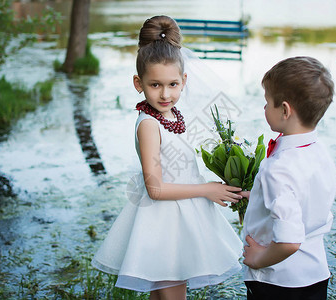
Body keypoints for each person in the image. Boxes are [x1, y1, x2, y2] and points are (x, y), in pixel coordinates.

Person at [92, 15, 243, 300]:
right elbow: (155, 188)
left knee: (164, 294)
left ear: (184, 81)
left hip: (177, 215)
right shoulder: (149, 124)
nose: (165, 94)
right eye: (155, 85)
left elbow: (178, 168)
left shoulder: (171, 115)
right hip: (165, 222)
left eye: (173, 84)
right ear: (139, 83)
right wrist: (206, 190)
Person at [240, 56, 336, 299]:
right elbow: (304, 200)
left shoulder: (279, 168)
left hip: (278, 281)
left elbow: (289, 241)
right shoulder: (320, 152)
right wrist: (259, 197)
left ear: (284, 110)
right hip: (314, 274)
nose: (264, 108)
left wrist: (259, 259)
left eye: (267, 103)